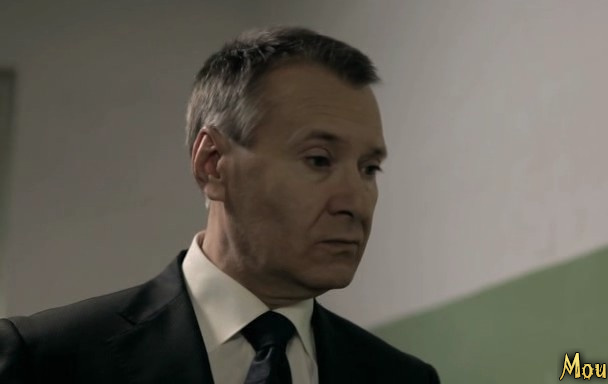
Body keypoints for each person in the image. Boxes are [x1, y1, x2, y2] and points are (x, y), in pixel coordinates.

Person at [0, 27, 441, 383]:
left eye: (369, 169)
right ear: (212, 164)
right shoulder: (45, 361)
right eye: (319, 160)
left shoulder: (404, 379)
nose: (356, 203)